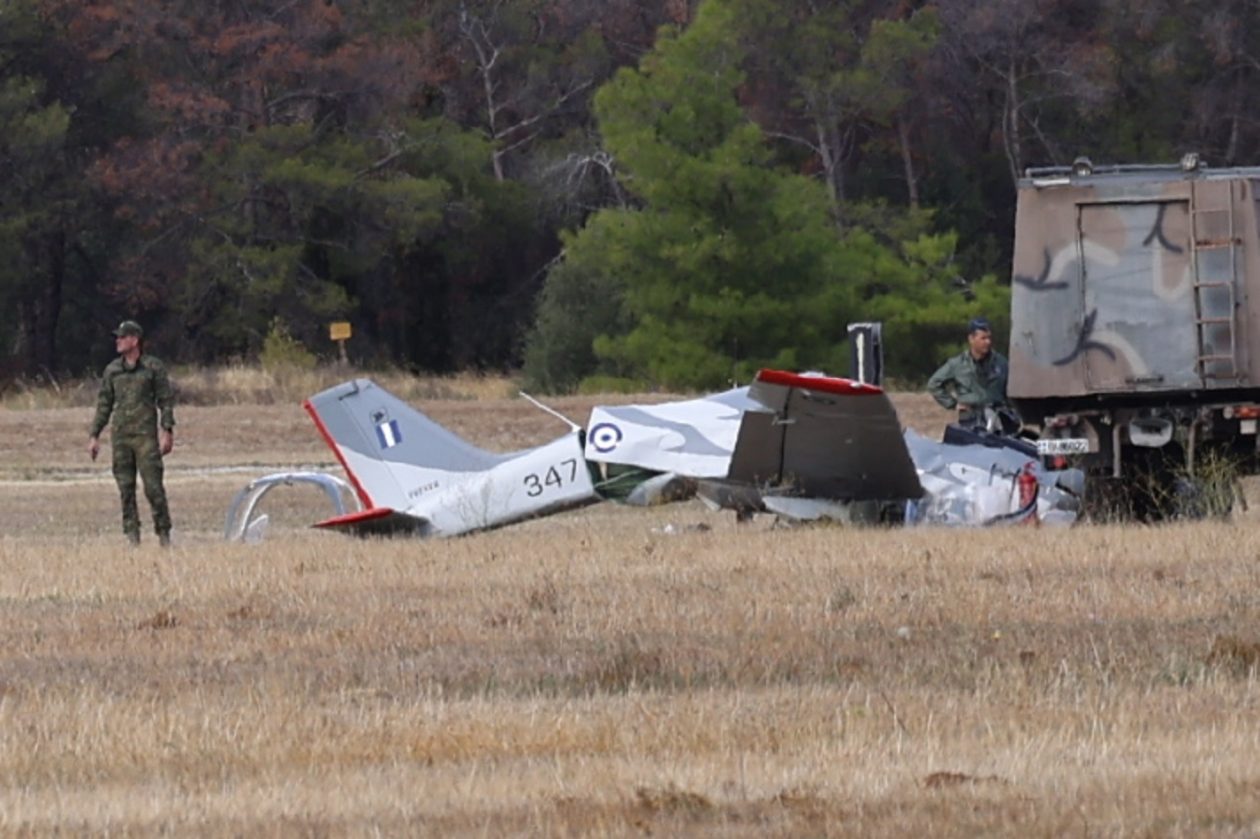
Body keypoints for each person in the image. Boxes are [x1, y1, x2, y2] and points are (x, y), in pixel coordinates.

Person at [87, 320, 176, 546]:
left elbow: (165, 400)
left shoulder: (153, 368)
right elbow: (104, 404)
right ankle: (132, 537)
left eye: (122, 337)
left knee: (153, 488)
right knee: (126, 489)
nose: (117, 341)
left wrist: (167, 430)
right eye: (117, 337)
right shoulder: (113, 371)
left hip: (145, 438)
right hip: (121, 438)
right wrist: (94, 435)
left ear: (134, 340)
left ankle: (163, 534)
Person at [927, 317, 1009, 428]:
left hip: (997, 416)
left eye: (989, 338)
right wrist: (953, 404)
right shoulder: (957, 364)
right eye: (983, 338)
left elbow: (1012, 388)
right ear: (971, 339)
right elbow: (934, 384)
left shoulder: (1001, 363)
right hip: (971, 418)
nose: (988, 342)